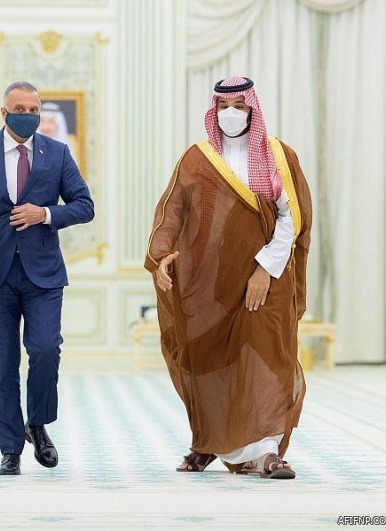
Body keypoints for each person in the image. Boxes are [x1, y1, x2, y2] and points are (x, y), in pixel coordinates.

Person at [145, 76, 312, 479]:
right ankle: (208, 441)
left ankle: (268, 451)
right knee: (208, 361)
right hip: (209, 282)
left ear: (252, 109)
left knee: (268, 358)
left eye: (239, 106)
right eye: (223, 107)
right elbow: (173, 212)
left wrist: (263, 269)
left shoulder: (277, 155)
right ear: (213, 110)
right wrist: (161, 256)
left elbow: (291, 218)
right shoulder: (197, 158)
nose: (230, 113)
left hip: (266, 279)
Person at [0, 81, 94, 475]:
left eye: (34, 109)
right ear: (4, 112)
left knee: (45, 349)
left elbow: (84, 206)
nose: (27, 115)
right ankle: (10, 449)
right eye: (19, 108)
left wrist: (45, 214)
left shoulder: (57, 153)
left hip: (43, 276)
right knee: (1, 366)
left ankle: (38, 424)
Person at [38, 102, 79, 167]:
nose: (46, 127)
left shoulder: (66, 149)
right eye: (43, 121)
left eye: (51, 121)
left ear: (58, 124)